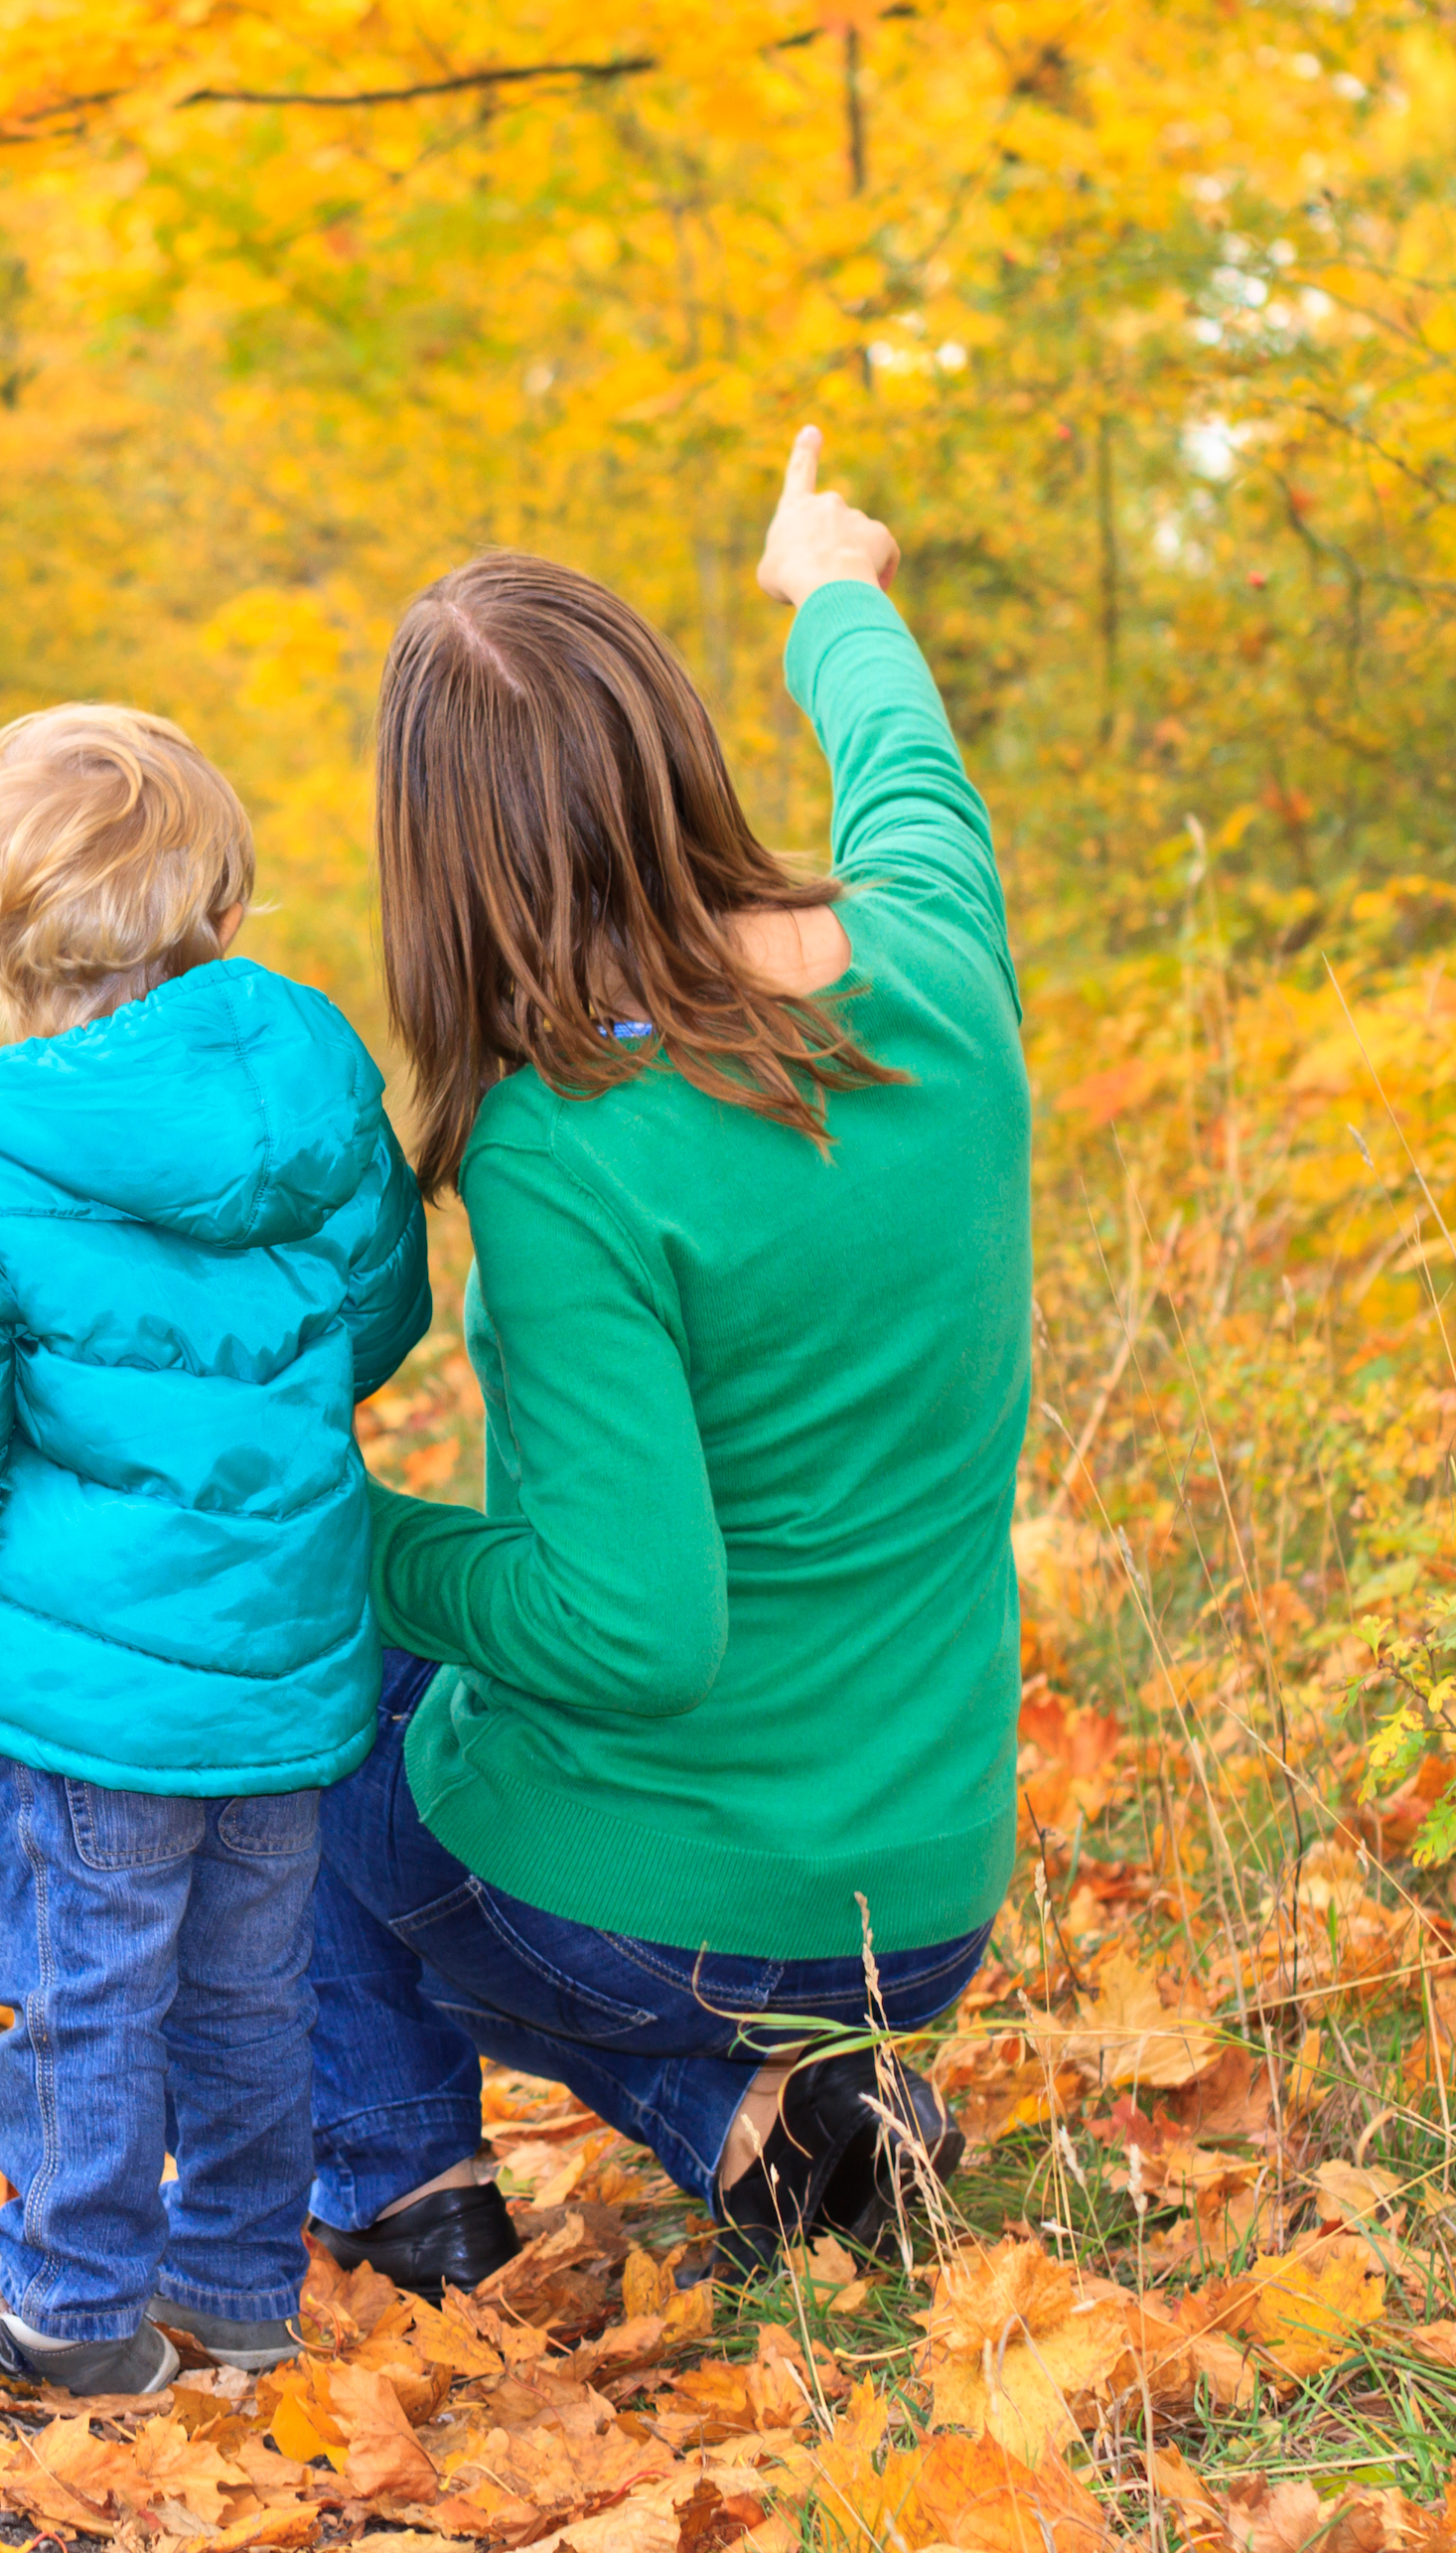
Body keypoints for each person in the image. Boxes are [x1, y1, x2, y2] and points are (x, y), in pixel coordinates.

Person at [306, 429, 1030, 2297]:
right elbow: (901, 765)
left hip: (692, 1913)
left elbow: (634, 1629)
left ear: (439, 859)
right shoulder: (935, 954)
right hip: (927, 1892)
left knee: (300, 1679)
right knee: (422, 1640)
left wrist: (336, 1532)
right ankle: (764, 2127)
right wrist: (832, 581)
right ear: (668, 740)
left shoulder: (567, 1138)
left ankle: (406, 2202)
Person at [0, 704, 424, 2394]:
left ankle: (68, 2306)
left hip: (82, 1690)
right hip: (287, 1655)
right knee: (246, 1987)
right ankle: (234, 2289)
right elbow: (376, 1318)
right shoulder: (316, 1082)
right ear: (212, 898)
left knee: (84, 1981)